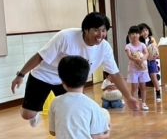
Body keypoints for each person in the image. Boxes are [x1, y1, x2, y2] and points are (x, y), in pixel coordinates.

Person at [10, 12, 140, 127]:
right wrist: (21, 75)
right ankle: (33, 113)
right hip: (43, 75)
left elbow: (115, 74)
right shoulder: (66, 37)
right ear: (86, 30)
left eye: (104, 30)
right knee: (28, 114)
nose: (100, 34)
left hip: (68, 81)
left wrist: (128, 97)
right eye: (96, 30)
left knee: (76, 111)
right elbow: (40, 56)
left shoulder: (104, 48)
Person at [124, 25, 151, 111]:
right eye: (132, 33)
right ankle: (134, 103)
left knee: (143, 87)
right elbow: (129, 56)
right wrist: (136, 59)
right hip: (133, 70)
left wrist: (143, 59)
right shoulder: (128, 46)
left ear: (139, 34)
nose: (135, 35)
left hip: (142, 69)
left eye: (136, 33)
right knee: (134, 88)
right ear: (129, 35)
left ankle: (143, 103)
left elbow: (147, 53)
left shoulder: (142, 45)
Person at [139, 23, 162, 103]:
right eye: (142, 31)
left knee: (154, 77)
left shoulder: (151, 39)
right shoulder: (139, 41)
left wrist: (155, 54)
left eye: (146, 30)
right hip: (143, 61)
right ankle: (140, 92)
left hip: (151, 61)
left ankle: (158, 93)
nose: (145, 32)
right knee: (141, 78)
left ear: (148, 31)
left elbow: (155, 49)